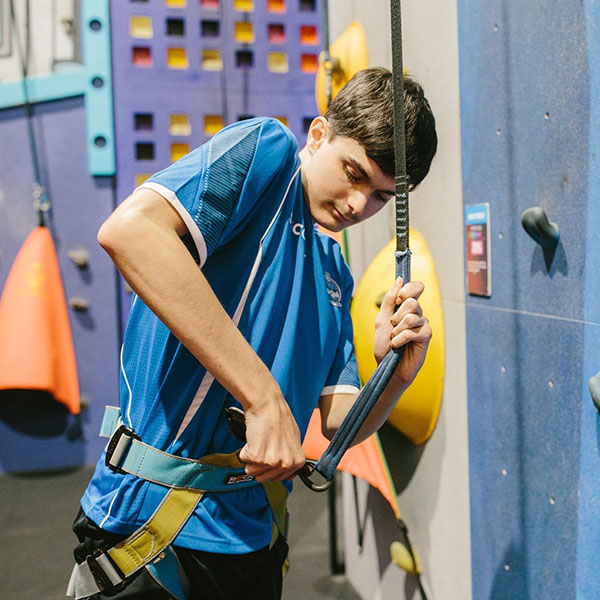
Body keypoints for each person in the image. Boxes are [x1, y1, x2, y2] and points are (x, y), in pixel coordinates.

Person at [67, 67, 437, 600]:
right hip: (151, 528)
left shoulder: (335, 272)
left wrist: (393, 377)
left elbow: (339, 425)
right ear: (318, 135)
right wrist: (263, 398)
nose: (359, 205)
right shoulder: (268, 154)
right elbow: (131, 232)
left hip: (253, 542)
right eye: (353, 173)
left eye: (379, 196)